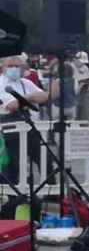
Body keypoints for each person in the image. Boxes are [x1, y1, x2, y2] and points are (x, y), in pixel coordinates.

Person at [0, 55, 48, 183]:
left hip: (30, 127)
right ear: (3, 67)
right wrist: (31, 97)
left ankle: (51, 195)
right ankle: (13, 198)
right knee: (13, 166)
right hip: (10, 131)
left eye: (17, 66)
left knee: (45, 159)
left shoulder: (25, 82)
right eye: (10, 66)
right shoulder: (1, 83)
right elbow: (12, 105)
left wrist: (25, 98)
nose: (14, 69)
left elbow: (43, 96)